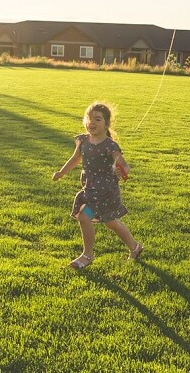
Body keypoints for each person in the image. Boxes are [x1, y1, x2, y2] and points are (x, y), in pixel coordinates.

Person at [52, 102, 143, 269]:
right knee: (111, 222)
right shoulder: (83, 141)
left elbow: (123, 164)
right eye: (89, 118)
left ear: (106, 124)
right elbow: (75, 159)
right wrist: (61, 173)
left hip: (106, 191)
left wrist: (120, 171)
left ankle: (87, 255)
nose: (91, 122)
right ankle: (135, 246)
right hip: (90, 187)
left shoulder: (109, 145)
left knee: (86, 217)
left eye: (97, 119)